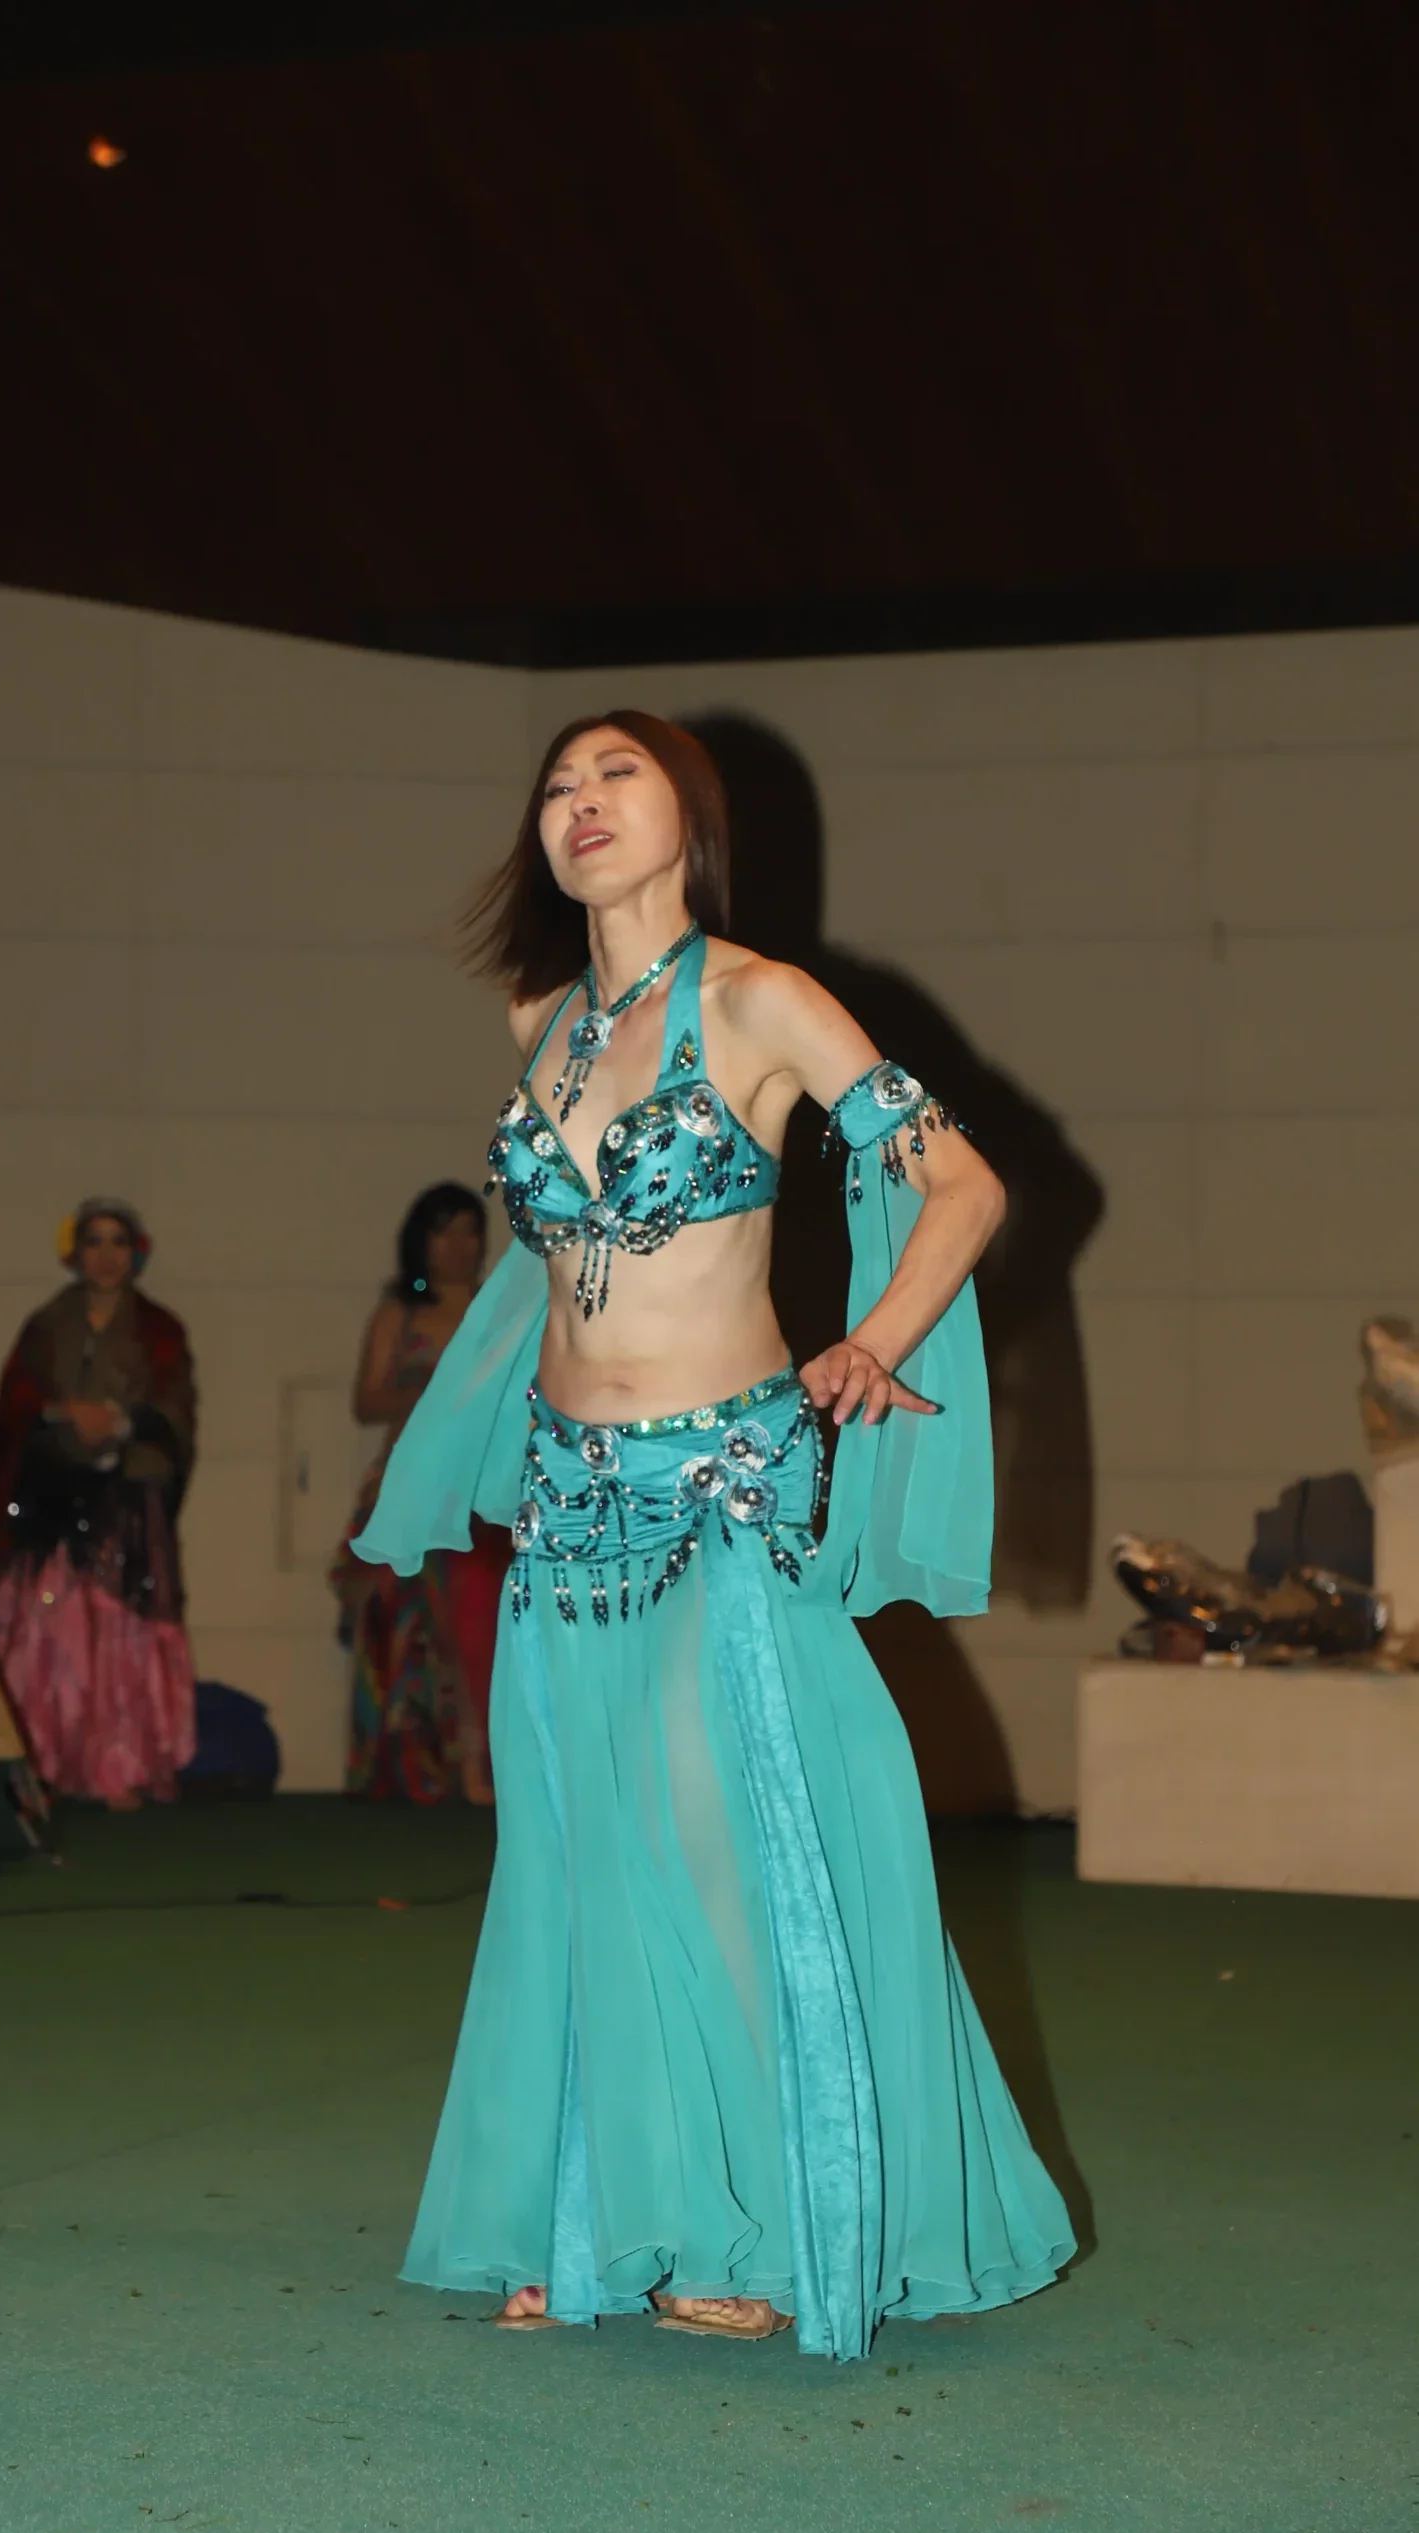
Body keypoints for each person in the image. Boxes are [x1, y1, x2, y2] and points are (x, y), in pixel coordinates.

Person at [355, 710, 1075, 2356]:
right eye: (555, 785)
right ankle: (593, 2224)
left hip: (718, 1487)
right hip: (564, 1494)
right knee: (572, 1848)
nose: (579, 803)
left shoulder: (760, 1000)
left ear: (688, 813)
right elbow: (543, 1272)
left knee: (710, 1835)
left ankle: (752, 2222)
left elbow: (962, 1186)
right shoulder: (539, 1020)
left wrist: (874, 1339)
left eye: (614, 775)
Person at [0, 1201, 197, 1813]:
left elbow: (176, 1412)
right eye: (93, 1242)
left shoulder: (160, 1331)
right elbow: (13, 1404)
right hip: (52, 1500)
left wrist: (121, 1422)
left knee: (119, 1628)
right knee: (52, 1628)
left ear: (136, 1253)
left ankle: (118, 1764)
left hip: (127, 1500)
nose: (105, 1256)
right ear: (74, 1253)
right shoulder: (45, 1326)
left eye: (118, 1242)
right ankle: (45, 1761)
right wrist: (63, 1414)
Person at [334, 1183, 506, 1805]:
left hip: (481, 1490)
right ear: (420, 1242)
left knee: (478, 1623)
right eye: (443, 1231)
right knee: (402, 1623)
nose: (458, 1245)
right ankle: (407, 1767)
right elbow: (366, 1401)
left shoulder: (501, 1307)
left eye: (469, 1231)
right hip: (408, 1488)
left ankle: (478, 1768)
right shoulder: (399, 1313)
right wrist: (438, 1391)